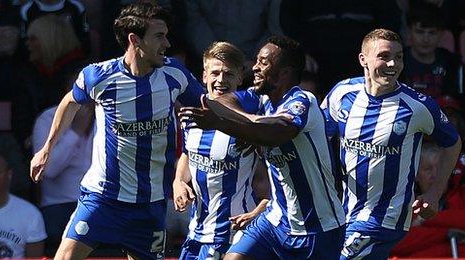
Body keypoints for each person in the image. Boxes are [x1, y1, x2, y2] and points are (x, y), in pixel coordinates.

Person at [30, 3, 205, 259]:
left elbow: (206, 107)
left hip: (151, 204)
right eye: (159, 36)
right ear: (135, 40)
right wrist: (46, 149)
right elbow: (69, 102)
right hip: (103, 199)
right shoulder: (98, 76)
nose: (167, 44)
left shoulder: (174, 74)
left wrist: (248, 120)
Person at [179, 35, 345, 259]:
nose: (255, 67)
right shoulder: (261, 101)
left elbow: (275, 132)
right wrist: (242, 123)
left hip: (317, 227)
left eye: (263, 63)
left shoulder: (302, 101)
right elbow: (225, 101)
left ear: (284, 73)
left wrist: (232, 125)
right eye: (256, 61)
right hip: (275, 220)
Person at [320, 28, 461, 259]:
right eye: (384, 56)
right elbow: (320, 140)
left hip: (386, 218)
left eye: (399, 57)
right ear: (363, 59)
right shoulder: (342, 93)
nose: (393, 64)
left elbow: (453, 143)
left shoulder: (418, 106)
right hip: (344, 212)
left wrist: (435, 192)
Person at [172, 41, 270, 259]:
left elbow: (269, 183)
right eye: (215, 73)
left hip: (232, 233)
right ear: (204, 76)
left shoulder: (252, 115)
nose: (221, 80)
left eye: (228, 74)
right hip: (195, 232)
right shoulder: (193, 116)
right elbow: (189, 153)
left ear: (240, 78)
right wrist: (178, 181)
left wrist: (258, 212)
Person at [390, 142, 465, 258]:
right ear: (416, 176)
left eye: (440, 168)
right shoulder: (404, 204)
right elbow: (396, 243)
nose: (435, 174)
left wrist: (426, 218)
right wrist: (446, 234)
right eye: (428, 169)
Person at [31, 82, 93, 256]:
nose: (86, 98)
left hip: (98, 202)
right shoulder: (47, 119)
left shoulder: (106, 118)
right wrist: (75, 131)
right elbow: (48, 170)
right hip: (58, 206)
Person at [14, 14, 86, 147]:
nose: (27, 44)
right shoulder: (28, 75)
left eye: (33, 39)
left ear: (50, 40)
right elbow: (21, 120)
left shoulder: (80, 74)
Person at [400, 3, 464, 100]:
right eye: (420, 32)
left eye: (432, 33)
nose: (426, 39)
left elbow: (457, 102)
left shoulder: (452, 62)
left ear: (441, 34)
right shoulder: (397, 62)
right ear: (409, 32)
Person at [19, 0, 90, 55]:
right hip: (38, 62)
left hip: (71, 60)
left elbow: (84, 38)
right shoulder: (27, 10)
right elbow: (24, 42)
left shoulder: (75, 7)